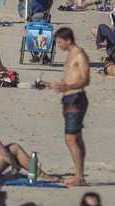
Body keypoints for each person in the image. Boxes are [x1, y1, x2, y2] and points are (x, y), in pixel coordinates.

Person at [39, 28, 90, 187]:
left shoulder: (80, 54)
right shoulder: (69, 55)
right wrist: (51, 85)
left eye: (59, 42)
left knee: (70, 138)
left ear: (68, 40)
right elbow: (69, 80)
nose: (58, 45)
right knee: (76, 138)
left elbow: (85, 80)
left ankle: (79, 176)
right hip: (69, 98)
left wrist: (67, 88)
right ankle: (79, 174)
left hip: (76, 98)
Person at [0, 100, 57, 180]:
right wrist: (16, 166)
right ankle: (41, 174)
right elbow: (3, 153)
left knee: (11, 148)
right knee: (14, 148)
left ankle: (38, 172)